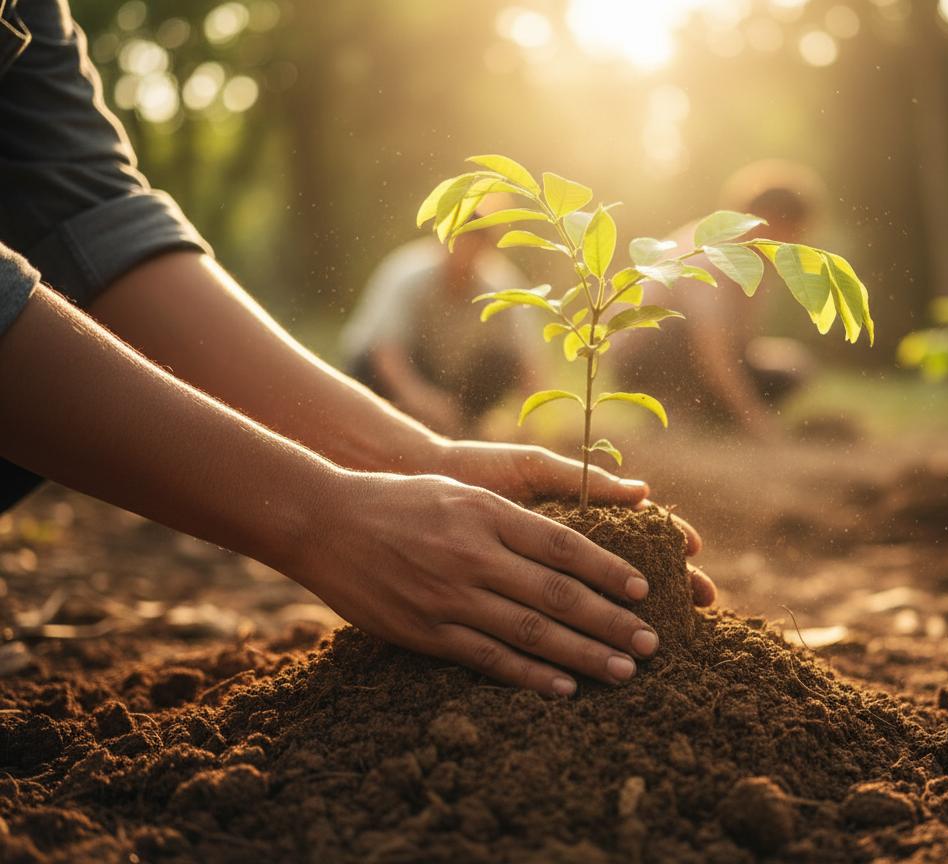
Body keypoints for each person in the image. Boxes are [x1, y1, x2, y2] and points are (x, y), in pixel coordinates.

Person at [0, 0, 713, 697]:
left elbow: (88, 217)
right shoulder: (410, 274)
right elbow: (386, 355)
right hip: (380, 368)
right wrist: (324, 517)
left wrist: (417, 461)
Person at [614, 160, 821, 441]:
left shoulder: (757, 263)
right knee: (681, 332)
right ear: (770, 220)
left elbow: (740, 343)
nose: (799, 241)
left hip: (693, 353)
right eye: (795, 231)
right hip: (642, 353)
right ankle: (676, 417)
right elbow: (712, 351)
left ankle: (706, 416)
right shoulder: (714, 253)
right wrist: (756, 422)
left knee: (792, 364)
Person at [341, 218, 537, 437]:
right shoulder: (408, 274)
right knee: (370, 364)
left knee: (501, 361)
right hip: (393, 371)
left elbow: (527, 359)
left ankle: (462, 425)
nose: (464, 257)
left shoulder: (502, 286)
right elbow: (385, 351)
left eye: (474, 248)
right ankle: (384, 422)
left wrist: (529, 423)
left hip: (446, 377)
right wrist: (421, 400)